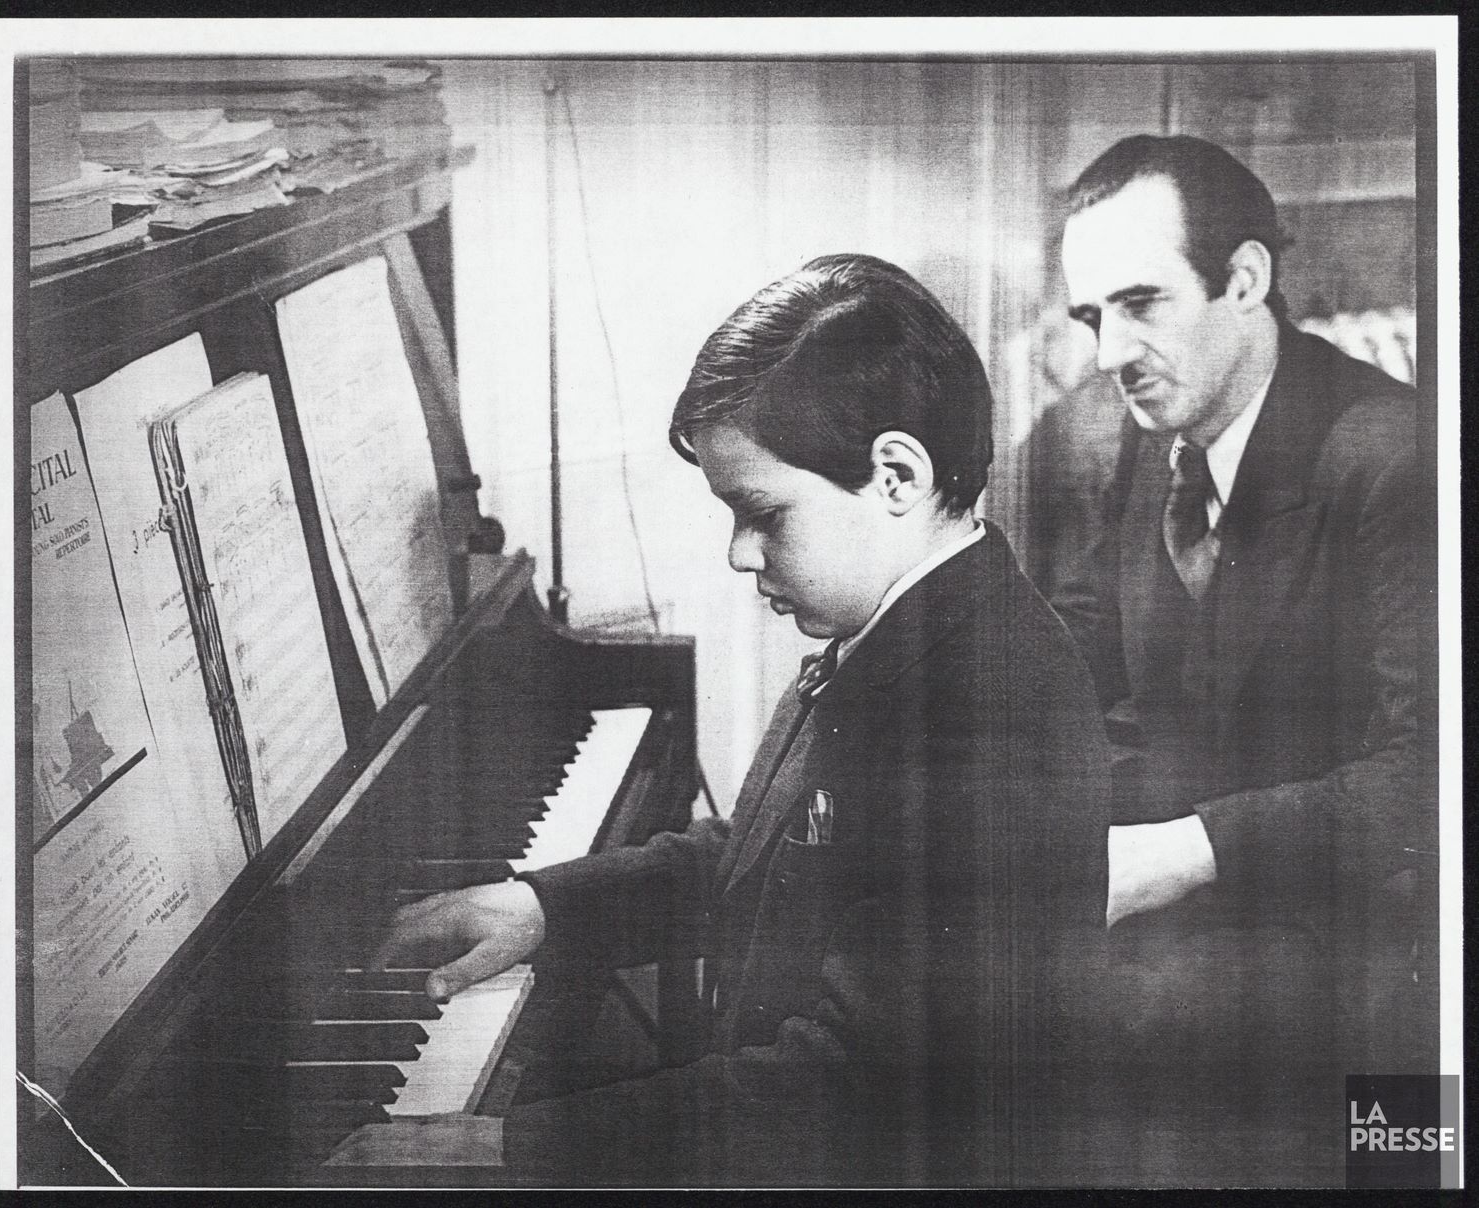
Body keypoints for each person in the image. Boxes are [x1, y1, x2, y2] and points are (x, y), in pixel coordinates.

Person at [331, 253, 1112, 1186]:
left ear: (896, 476)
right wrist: (547, 904)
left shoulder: (989, 711)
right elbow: (773, 864)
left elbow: (855, 1088)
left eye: (762, 514)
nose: (742, 553)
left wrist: (524, 1152)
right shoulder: (914, 634)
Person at [1050, 134, 1435, 1183]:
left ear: (1247, 278)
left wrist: (1165, 856)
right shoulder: (1156, 425)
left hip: (1366, 972)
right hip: (1203, 938)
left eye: (1140, 302)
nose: (1108, 353)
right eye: (1091, 317)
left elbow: (1427, 782)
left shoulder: (1393, 456)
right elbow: (1086, 631)